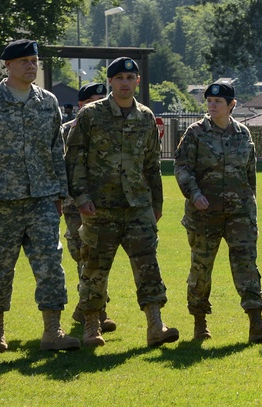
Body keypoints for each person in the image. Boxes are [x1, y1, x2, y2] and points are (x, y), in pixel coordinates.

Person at [0, 39, 80, 353]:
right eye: (23, 61)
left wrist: (60, 194)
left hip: (42, 199)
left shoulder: (48, 101)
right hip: (0, 201)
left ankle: (53, 332)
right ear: (7, 66)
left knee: (51, 264)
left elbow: (56, 150)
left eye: (34, 60)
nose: (30, 66)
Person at [65, 56, 180, 348]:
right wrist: (81, 198)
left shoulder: (145, 118)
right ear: (111, 82)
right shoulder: (91, 115)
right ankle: (92, 325)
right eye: (119, 79)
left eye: (130, 79)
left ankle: (155, 324)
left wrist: (157, 203)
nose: (125, 84)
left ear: (137, 82)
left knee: (148, 265)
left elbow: (153, 164)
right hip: (100, 206)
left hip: (138, 205)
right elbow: (74, 160)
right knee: (95, 267)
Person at [175, 81, 262, 343]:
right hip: (204, 215)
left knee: (246, 265)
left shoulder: (243, 134)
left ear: (232, 105)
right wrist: (194, 194)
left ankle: (256, 322)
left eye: (218, 102)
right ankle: (200, 323)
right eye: (209, 101)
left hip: (239, 214)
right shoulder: (195, 133)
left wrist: (251, 206)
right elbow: (183, 168)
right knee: (201, 268)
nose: (212, 105)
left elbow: (250, 174)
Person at [63, 83, 116, 334]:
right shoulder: (65, 131)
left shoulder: (107, 130)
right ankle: (94, 312)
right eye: (94, 100)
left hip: (103, 204)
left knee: (99, 258)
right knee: (84, 256)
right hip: (74, 205)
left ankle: (91, 310)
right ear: (82, 104)